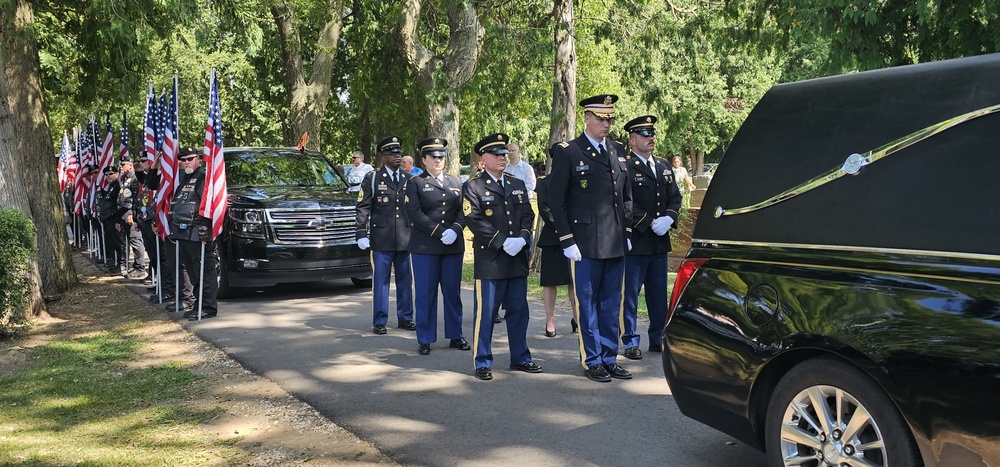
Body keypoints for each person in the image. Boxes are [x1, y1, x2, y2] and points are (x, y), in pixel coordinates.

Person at [542, 94, 633, 383]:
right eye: (602, 118)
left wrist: (627, 231)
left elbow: (626, 196)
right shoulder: (570, 152)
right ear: (587, 118)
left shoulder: (617, 150)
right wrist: (567, 239)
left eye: (610, 118)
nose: (607, 124)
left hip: (614, 241)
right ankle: (591, 359)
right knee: (587, 303)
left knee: (610, 303)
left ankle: (609, 357)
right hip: (584, 243)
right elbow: (556, 200)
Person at [463, 133, 541, 381]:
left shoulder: (516, 184)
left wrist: (522, 237)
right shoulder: (473, 186)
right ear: (483, 159)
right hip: (491, 261)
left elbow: (528, 215)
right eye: (497, 154)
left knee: (519, 311)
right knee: (486, 313)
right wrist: (501, 240)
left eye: (504, 154)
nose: (502, 158)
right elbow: (473, 219)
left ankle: (521, 357)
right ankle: (483, 361)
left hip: (516, 258)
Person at [621, 115, 682, 359]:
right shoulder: (625, 167)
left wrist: (669, 217)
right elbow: (624, 203)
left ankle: (658, 338)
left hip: (659, 241)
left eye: (652, 135)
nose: (651, 139)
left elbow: (675, 197)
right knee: (631, 296)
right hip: (636, 240)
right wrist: (648, 222)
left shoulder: (664, 166)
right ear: (633, 140)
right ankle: (630, 341)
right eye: (645, 136)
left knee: (658, 294)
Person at [403, 137, 469, 355]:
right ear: (424, 160)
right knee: (425, 294)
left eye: (441, 157)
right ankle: (425, 337)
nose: (438, 160)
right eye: (433, 157)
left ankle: (456, 335)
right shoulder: (415, 183)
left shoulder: (456, 182)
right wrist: (441, 232)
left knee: (452, 293)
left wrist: (456, 229)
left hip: (452, 246)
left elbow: (464, 210)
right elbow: (414, 213)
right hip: (426, 247)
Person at [355, 136, 415, 334]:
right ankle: (380, 320)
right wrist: (361, 232)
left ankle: (405, 317)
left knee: (405, 280)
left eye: (399, 153)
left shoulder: (409, 179)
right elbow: (363, 207)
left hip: (405, 237)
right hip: (381, 238)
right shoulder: (373, 178)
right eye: (392, 153)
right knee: (381, 281)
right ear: (383, 156)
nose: (397, 157)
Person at [168, 146, 219, 321]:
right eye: (183, 160)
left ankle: (208, 307)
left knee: (204, 271)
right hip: (184, 233)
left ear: (198, 159)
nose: (186, 162)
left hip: (198, 233)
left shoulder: (202, 178)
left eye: (190, 159)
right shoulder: (184, 180)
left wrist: (205, 228)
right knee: (193, 272)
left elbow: (208, 205)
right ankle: (199, 304)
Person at [534, 158, 577, 337]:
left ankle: (578, 317)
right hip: (553, 235)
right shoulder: (544, 182)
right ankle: (550, 319)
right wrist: (563, 230)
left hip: (576, 237)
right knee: (550, 281)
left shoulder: (576, 180)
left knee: (574, 281)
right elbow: (544, 209)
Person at [117, 156, 147, 280]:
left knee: (135, 240)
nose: (121, 166)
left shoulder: (135, 178)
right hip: (124, 213)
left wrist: (131, 214)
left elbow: (136, 198)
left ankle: (140, 268)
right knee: (130, 240)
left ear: (130, 165)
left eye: (123, 164)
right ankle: (136, 266)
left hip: (131, 213)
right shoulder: (126, 179)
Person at [99, 164, 124, 274]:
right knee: (112, 242)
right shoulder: (110, 186)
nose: (108, 176)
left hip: (114, 219)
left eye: (111, 174)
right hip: (108, 219)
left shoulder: (118, 186)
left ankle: (121, 264)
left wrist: (118, 221)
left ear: (117, 174)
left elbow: (119, 204)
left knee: (118, 243)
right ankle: (115, 262)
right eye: (106, 174)